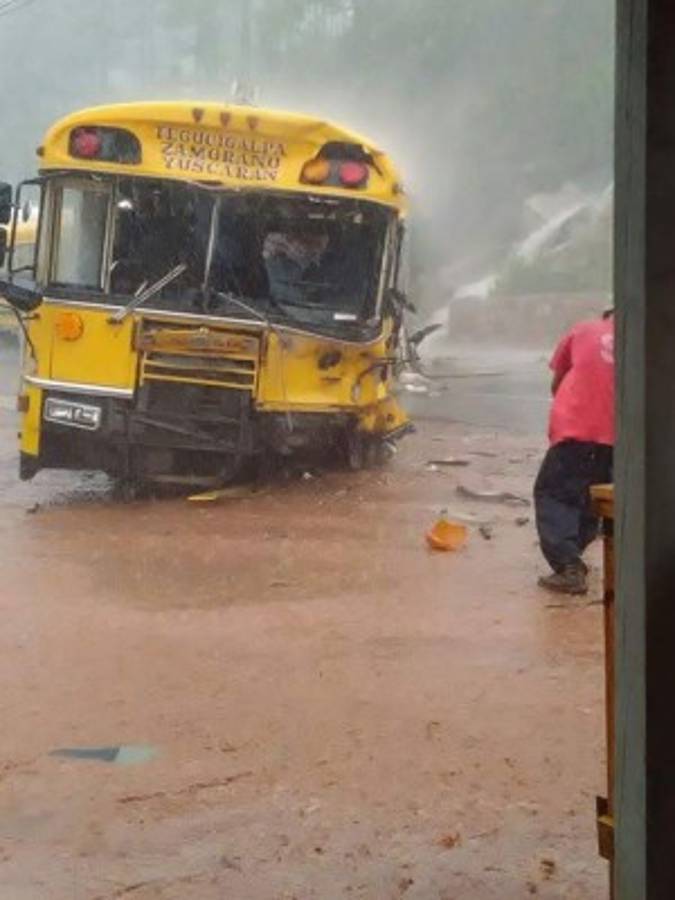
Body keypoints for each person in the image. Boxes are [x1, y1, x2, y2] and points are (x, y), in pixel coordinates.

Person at [534, 309, 615, 595]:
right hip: (619, 438)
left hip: (576, 432)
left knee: (554, 494)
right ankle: (574, 556)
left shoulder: (583, 330)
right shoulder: (643, 340)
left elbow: (558, 381)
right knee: (592, 498)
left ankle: (568, 567)